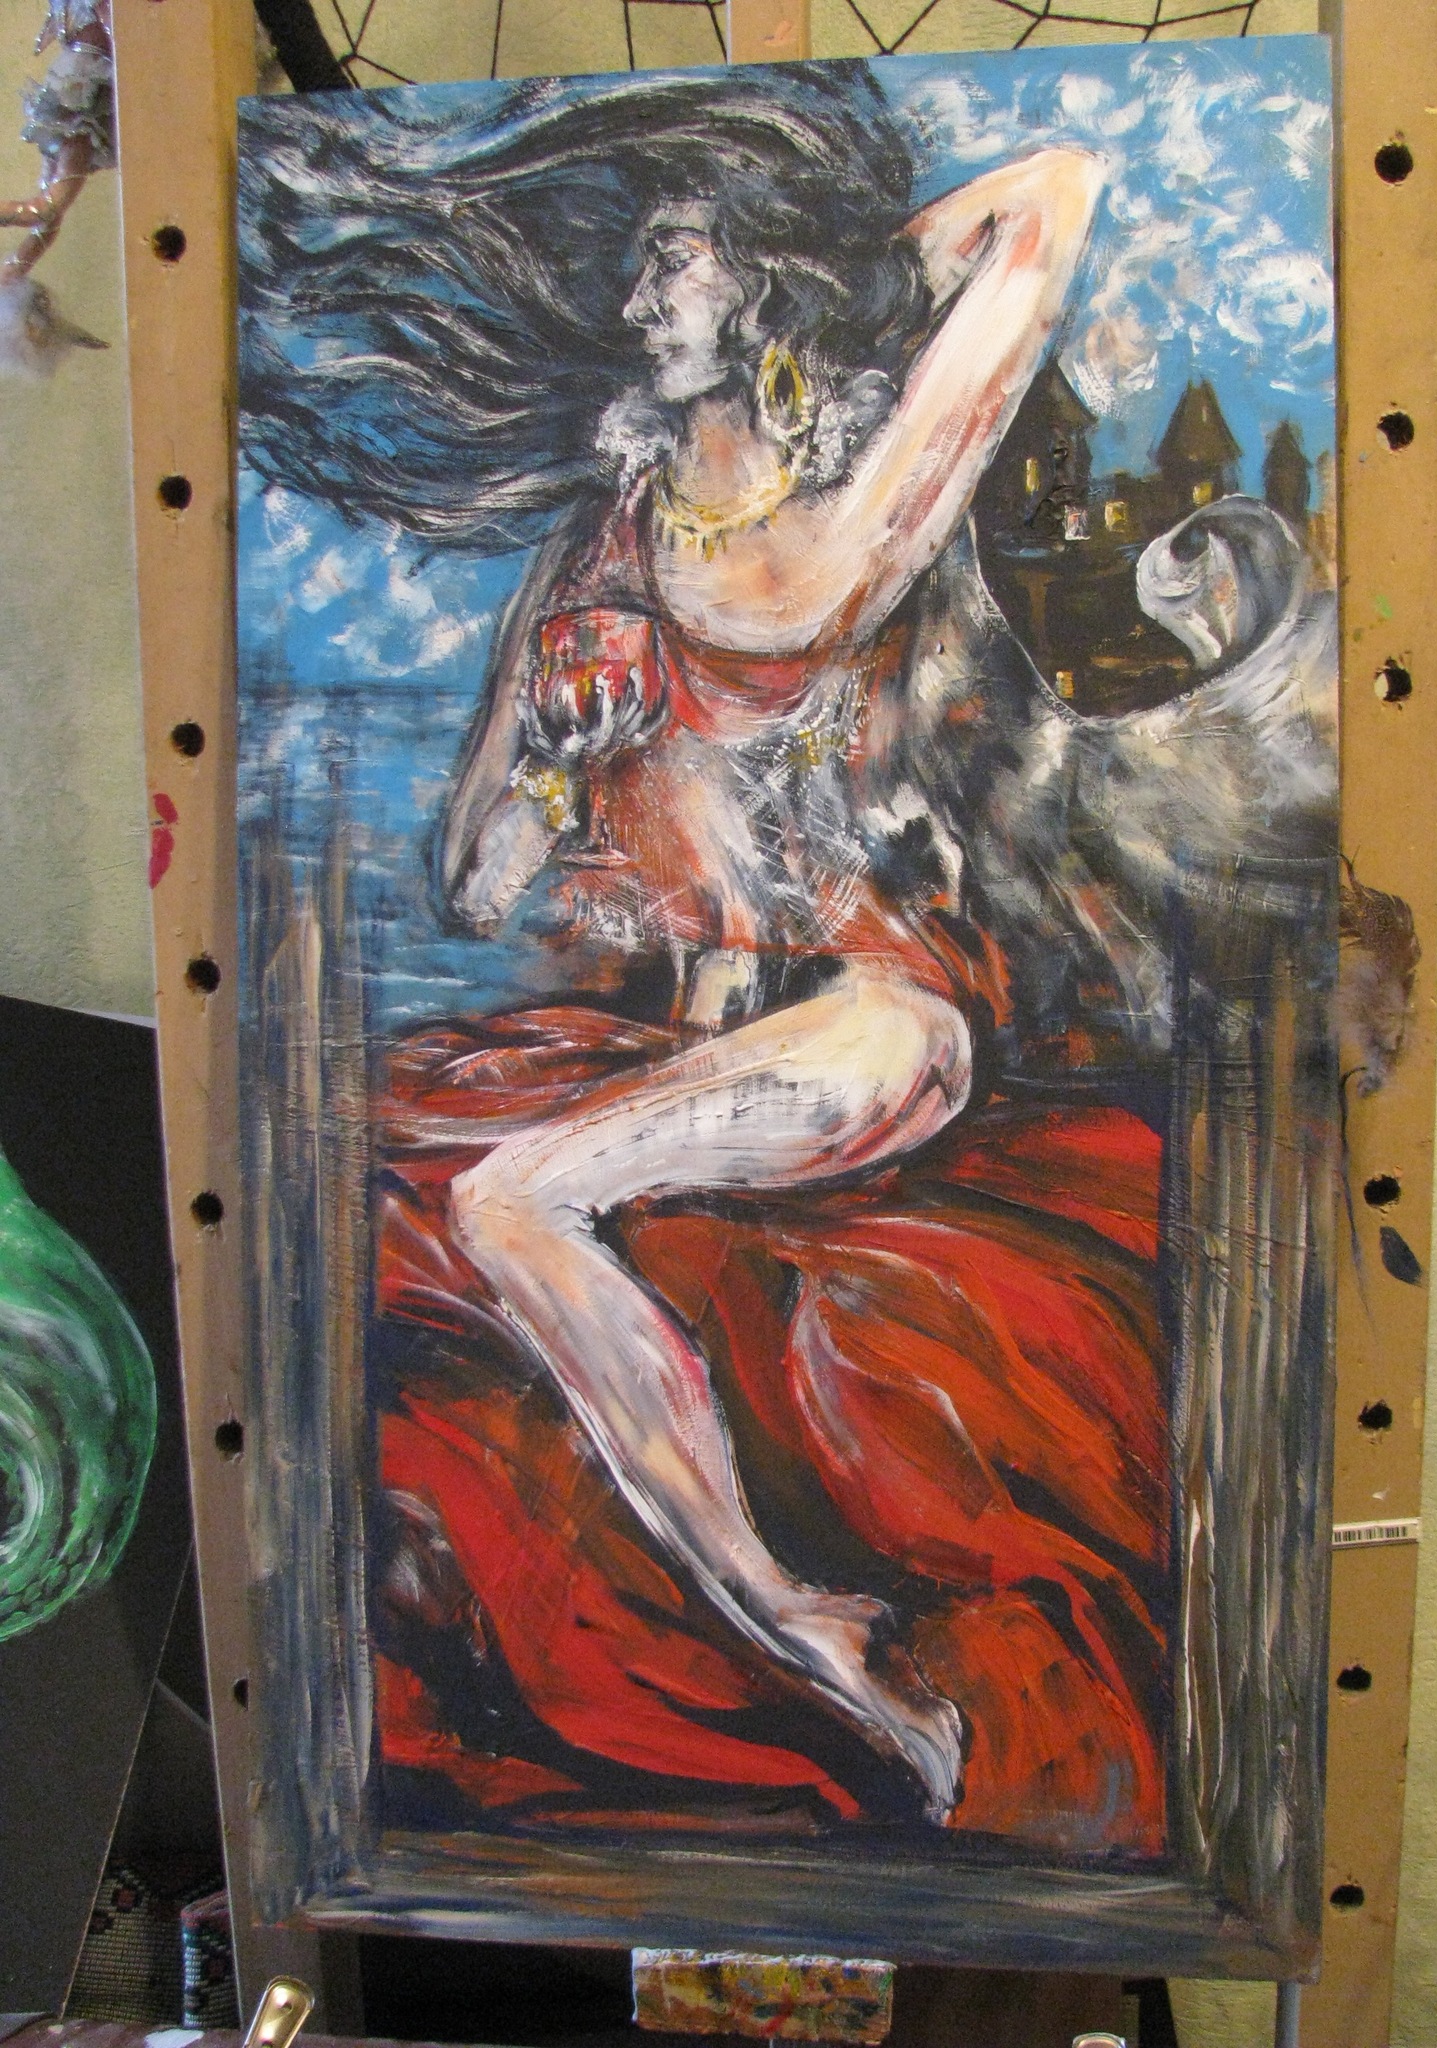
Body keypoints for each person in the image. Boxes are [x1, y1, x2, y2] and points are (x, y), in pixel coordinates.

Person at [242, 64, 1249, 1848]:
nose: (642, 294)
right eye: (643, 263)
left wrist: (853, 278)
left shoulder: (857, 520)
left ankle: (801, 1627)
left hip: (872, 1016)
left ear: (768, 284)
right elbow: (476, 884)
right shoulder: (596, 549)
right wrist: (561, 757)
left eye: (681, 256)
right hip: (665, 1039)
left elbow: (1053, 197)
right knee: (363, 1197)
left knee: (508, 1206)